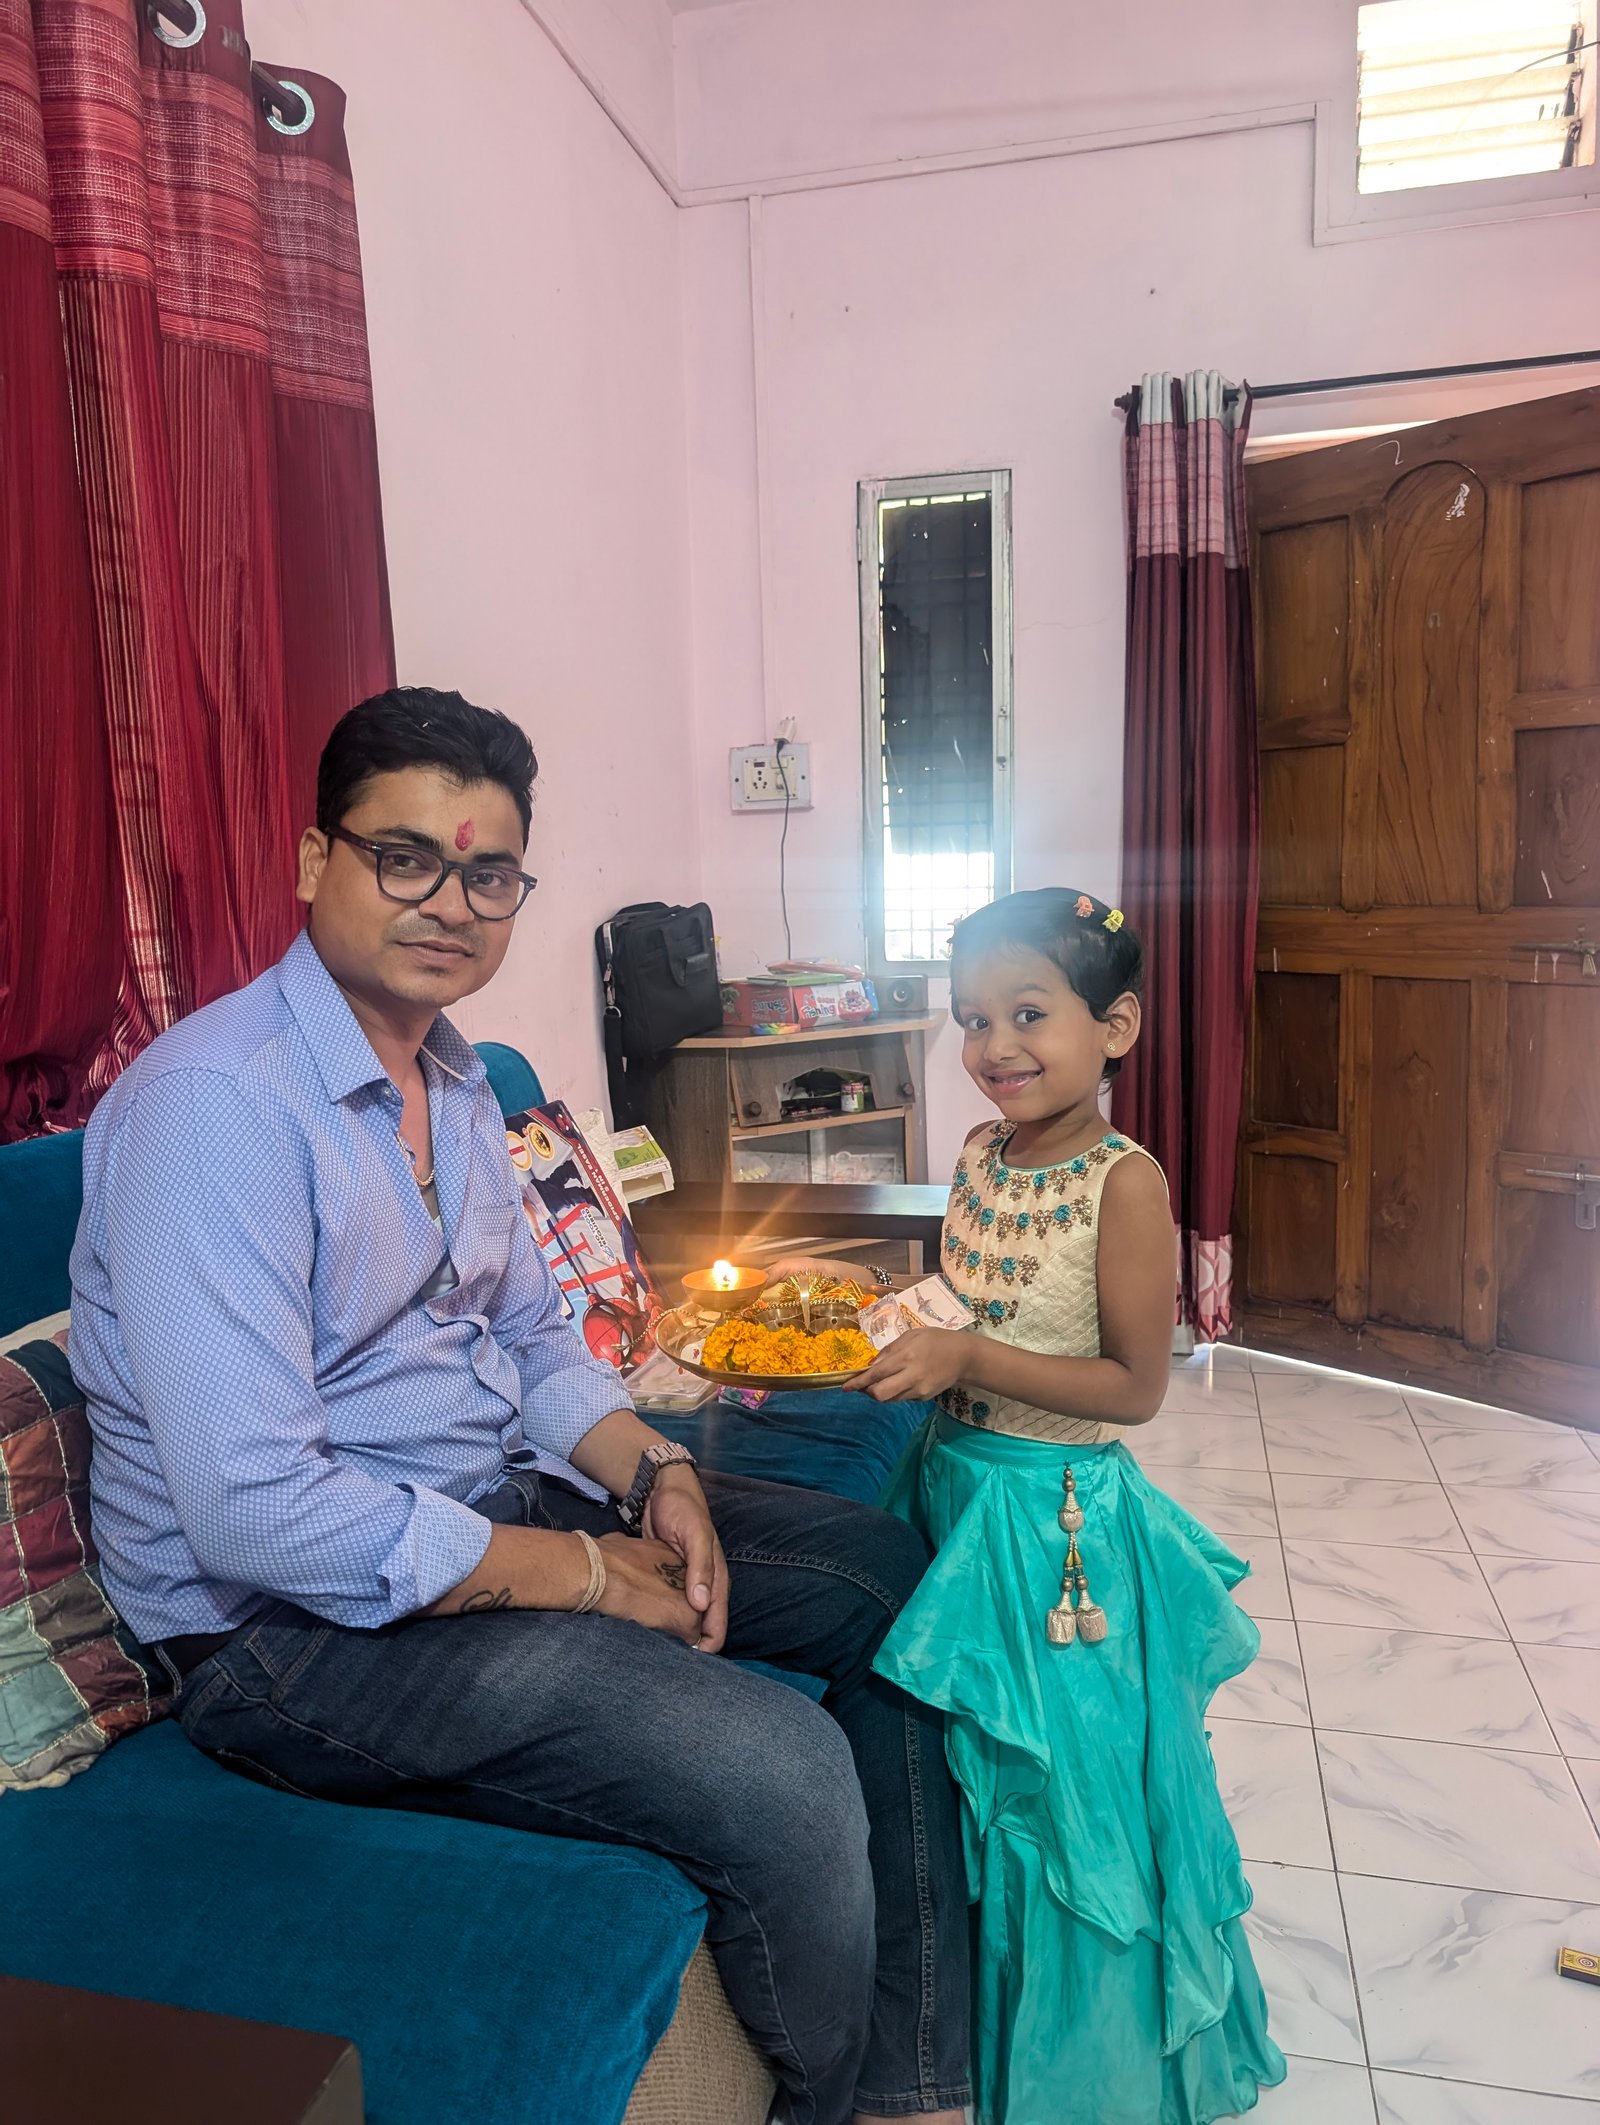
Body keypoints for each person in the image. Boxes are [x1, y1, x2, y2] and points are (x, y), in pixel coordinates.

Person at [69, 687, 970, 2125]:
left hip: (483, 1500)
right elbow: (252, 1511)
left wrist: (656, 1474)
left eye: (488, 874)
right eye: (403, 857)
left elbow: (532, 1334)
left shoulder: (456, 1078)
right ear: (312, 861)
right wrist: (585, 1576)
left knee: (883, 1576)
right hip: (285, 1632)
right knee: (780, 1765)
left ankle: (915, 2087)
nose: (449, 903)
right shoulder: (217, 1108)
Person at [782, 888, 1285, 2125]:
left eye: (1026, 1013)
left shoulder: (1124, 1183)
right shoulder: (976, 1153)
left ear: (1114, 1026)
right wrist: (859, 1298)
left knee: (1057, 1796)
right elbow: (966, 1299)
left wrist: (968, 1358)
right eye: (971, 1019)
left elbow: (1134, 1387)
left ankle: (1079, 2083)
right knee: (952, 1782)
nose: (994, 1045)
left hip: (1053, 1527)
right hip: (947, 1493)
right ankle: (961, 2056)